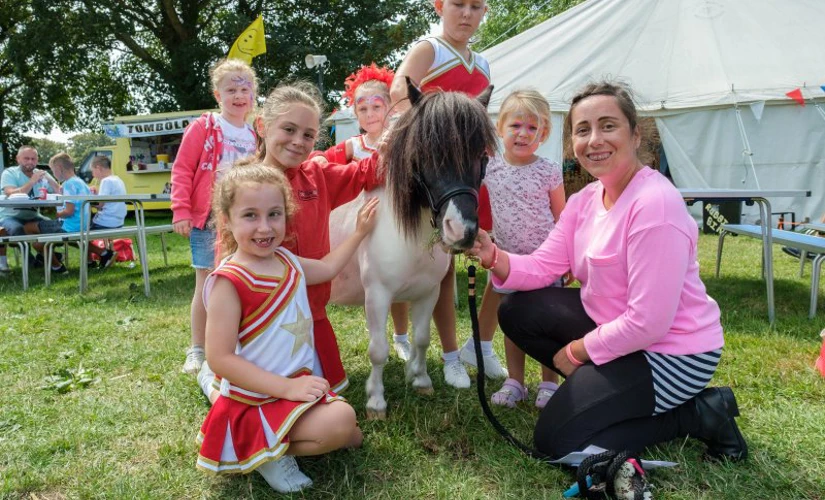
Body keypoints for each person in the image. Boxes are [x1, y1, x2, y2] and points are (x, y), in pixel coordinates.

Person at [468, 81, 747, 461]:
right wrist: (493, 255)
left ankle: (700, 413)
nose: (594, 139)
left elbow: (650, 322)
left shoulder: (655, 206)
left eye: (608, 126)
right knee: (517, 310)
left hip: (672, 353)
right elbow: (544, 265)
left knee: (559, 444)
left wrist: (580, 351)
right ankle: (603, 394)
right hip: (618, 332)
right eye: (583, 130)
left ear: (635, 135)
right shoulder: (584, 200)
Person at [197, 81, 384, 401]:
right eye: (289, 129)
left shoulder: (318, 175)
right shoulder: (242, 184)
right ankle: (210, 378)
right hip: (256, 326)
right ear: (262, 126)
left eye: (309, 135)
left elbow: (368, 172)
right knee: (255, 400)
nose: (298, 141)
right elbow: (226, 263)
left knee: (327, 401)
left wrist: (405, 135)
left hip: (311, 319)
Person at [197, 163, 377, 492]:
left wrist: (360, 233)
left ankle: (231, 407)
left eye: (274, 214)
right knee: (339, 426)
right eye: (250, 215)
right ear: (226, 220)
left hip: (292, 386)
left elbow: (326, 267)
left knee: (351, 433)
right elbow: (220, 357)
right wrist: (286, 389)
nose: (265, 227)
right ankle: (260, 451)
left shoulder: (287, 260)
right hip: (255, 396)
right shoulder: (229, 280)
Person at [388, 0, 490, 388]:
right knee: (441, 268)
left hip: (465, 173)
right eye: (458, 5)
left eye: (476, 6)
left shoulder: (482, 63)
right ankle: (447, 354)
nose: (466, 14)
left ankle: (468, 348)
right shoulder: (430, 48)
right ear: (439, 7)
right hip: (433, 171)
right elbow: (401, 89)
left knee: (466, 260)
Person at [464, 89, 566, 409]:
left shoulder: (549, 170)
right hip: (506, 260)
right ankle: (516, 382)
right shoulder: (490, 167)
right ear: (500, 128)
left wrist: (568, 259)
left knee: (549, 321)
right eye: (516, 126)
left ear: (544, 134)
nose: (523, 133)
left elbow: (562, 218)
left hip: (546, 261)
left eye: (532, 128)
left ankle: (549, 383)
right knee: (512, 319)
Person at [172, 58, 258, 375]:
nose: (239, 95)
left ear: (253, 94)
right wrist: (180, 210)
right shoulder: (205, 127)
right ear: (217, 94)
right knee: (206, 283)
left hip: (245, 221)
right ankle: (197, 349)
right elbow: (182, 169)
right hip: (209, 219)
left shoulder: (255, 133)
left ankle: (233, 347)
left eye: (245, 88)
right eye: (231, 89)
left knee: (241, 283)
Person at [27, 152, 91, 275]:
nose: (54, 174)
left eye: (53, 171)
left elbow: (69, 211)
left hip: (68, 227)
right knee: (38, 232)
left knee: (32, 236)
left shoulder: (68, 184)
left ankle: (57, 266)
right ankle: (54, 257)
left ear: (59, 169)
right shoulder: (80, 182)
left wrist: (58, 214)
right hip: (82, 225)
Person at [0, 146, 60, 271]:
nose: (30, 162)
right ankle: (30, 261)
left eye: (33, 159)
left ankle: (43, 257)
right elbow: (10, 192)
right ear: (18, 159)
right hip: (9, 216)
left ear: (37, 160)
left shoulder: (40, 173)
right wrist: (32, 181)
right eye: (26, 158)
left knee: (54, 226)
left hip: (33, 216)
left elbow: (58, 191)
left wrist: (50, 179)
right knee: (16, 229)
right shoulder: (10, 173)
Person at [87, 155, 126, 269]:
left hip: (106, 222)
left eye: (93, 171)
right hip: (118, 221)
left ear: (98, 168)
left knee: (78, 232)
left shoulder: (106, 181)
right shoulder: (117, 179)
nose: (93, 175)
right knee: (85, 228)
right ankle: (90, 261)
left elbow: (100, 204)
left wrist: (89, 198)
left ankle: (101, 255)